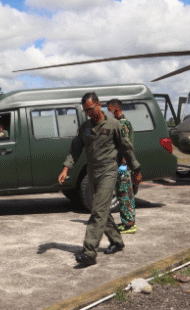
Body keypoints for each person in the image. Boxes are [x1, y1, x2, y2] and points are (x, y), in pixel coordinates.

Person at [58, 92, 142, 266]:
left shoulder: (114, 125)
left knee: (98, 211)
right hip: (92, 173)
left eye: (90, 109)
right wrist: (66, 169)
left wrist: (136, 169)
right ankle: (117, 241)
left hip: (109, 172)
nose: (88, 113)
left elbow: (127, 148)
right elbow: (75, 149)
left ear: (98, 104)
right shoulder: (85, 127)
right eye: (85, 110)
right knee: (100, 209)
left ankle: (89, 252)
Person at [107, 99, 137, 234]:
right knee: (123, 193)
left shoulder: (123, 124)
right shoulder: (120, 122)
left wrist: (123, 167)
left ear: (115, 108)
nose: (108, 110)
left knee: (124, 194)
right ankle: (127, 222)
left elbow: (125, 146)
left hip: (122, 165)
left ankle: (129, 224)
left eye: (109, 107)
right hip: (120, 164)